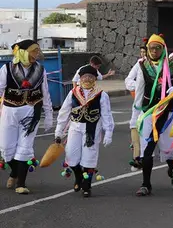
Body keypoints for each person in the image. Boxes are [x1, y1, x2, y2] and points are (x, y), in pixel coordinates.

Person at [130, 34, 173, 196]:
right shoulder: (142, 66)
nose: (154, 51)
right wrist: (136, 115)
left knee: (168, 149)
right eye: (151, 48)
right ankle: (146, 183)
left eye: (158, 48)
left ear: (163, 49)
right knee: (147, 149)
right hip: (148, 112)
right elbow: (139, 90)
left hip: (168, 114)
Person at [0, 40, 54, 194]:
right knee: (6, 148)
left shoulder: (40, 70)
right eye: (33, 51)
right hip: (10, 111)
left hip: (31, 111)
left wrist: (49, 114)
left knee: (25, 147)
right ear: (23, 52)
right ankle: (15, 172)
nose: (36, 55)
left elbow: (45, 93)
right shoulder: (7, 69)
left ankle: (21, 184)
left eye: (37, 52)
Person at [55, 65, 115, 198]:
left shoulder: (101, 94)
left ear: (95, 79)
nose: (87, 79)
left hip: (92, 129)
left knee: (89, 157)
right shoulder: (73, 93)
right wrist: (59, 131)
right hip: (75, 127)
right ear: (80, 78)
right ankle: (78, 177)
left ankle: (87, 186)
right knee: (71, 155)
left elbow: (106, 115)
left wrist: (108, 133)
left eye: (90, 77)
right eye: (84, 77)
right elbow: (64, 112)